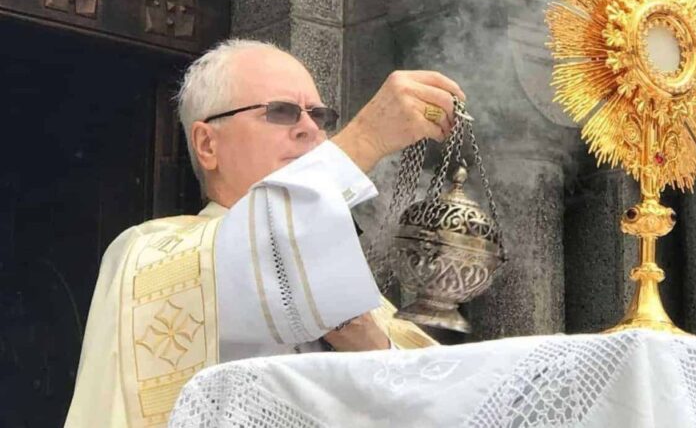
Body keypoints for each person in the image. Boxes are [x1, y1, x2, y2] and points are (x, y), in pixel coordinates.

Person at [65, 39, 465, 428]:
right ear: (207, 144)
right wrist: (365, 139)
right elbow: (252, 251)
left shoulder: (364, 300)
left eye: (319, 116)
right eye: (281, 112)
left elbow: (442, 402)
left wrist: (364, 340)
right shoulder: (152, 255)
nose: (310, 129)